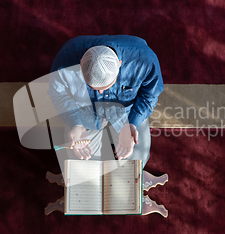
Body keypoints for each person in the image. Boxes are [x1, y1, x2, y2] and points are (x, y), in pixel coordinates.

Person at [48, 35, 164, 168]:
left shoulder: (144, 61)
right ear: (80, 64)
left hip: (127, 112)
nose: (100, 92)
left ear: (120, 64)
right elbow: (58, 95)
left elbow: (149, 96)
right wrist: (75, 123)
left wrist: (133, 123)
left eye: (106, 87)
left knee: (137, 160)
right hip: (86, 111)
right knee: (81, 164)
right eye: (92, 88)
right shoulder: (63, 62)